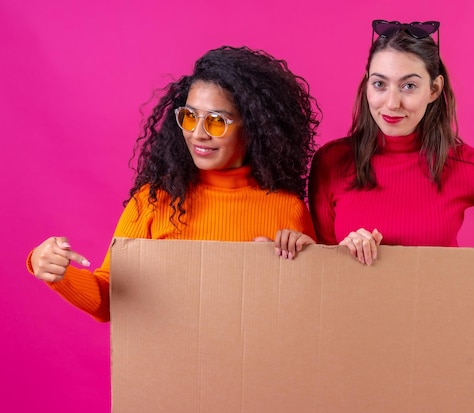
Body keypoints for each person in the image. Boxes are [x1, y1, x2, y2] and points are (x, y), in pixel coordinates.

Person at [306, 20, 474, 413]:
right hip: (361, 342)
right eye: (380, 84)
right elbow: (319, 278)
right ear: (366, 87)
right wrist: (343, 254)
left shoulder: (463, 164)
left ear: (435, 90)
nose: (391, 103)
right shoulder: (331, 162)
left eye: (408, 86)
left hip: (449, 341)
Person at [26, 46, 320, 323]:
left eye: (217, 121)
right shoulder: (153, 200)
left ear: (253, 128)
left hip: (254, 372)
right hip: (169, 372)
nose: (198, 134)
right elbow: (111, 301)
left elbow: (308, 313)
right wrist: (56, 273)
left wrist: (310, 265)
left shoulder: (287, 209)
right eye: (190, 117)